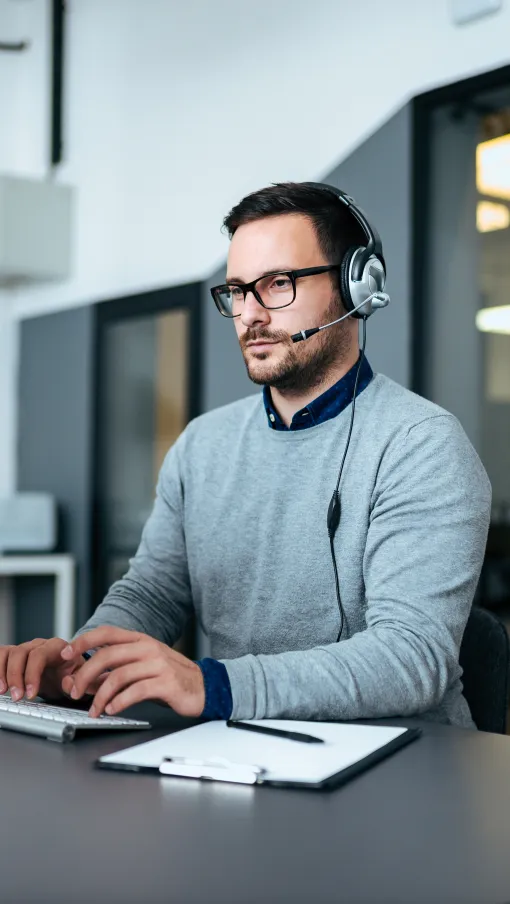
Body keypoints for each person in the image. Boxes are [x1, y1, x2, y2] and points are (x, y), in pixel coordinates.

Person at [0, 182, 491, 728]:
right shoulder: (201, 445)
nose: (250, 314)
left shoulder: (421, 443)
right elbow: (152, 595)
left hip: (403, 768)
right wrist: (77, 668)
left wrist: (212, 686)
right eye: (237, 290)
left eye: (277, 283)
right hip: (240, 747)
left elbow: (411, 658)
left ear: (356, 286)